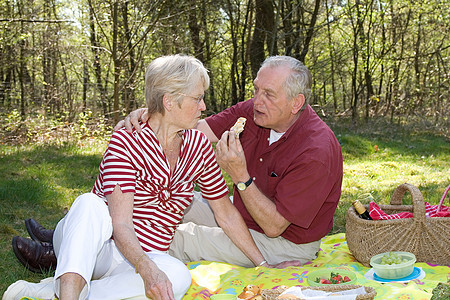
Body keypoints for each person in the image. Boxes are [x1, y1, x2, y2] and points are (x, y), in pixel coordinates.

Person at [4, 54, 276, 300]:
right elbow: (120, 224)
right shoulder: (127, 139)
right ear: (169, 101)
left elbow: (225, 214)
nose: (204, 106)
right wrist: (148, 270)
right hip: (97, 247)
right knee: (89, 204)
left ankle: (53, 292)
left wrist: (263, 264)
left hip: (141, 258)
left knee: (178, 277)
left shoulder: (199, 146)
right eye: (197, 98)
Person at [120, 55, 343, 267]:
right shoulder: (254, 112)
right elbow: (195, 129)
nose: (257, 100)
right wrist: (154, 115)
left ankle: (117, 263)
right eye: (256, 89)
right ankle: (110, 228)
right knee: (165, 202)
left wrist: (239, 176)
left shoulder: (316, 151)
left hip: (284, 243)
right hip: (243, 213)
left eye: (269, 94)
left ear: (296, 103)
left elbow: (274, 226)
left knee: (177, 238)